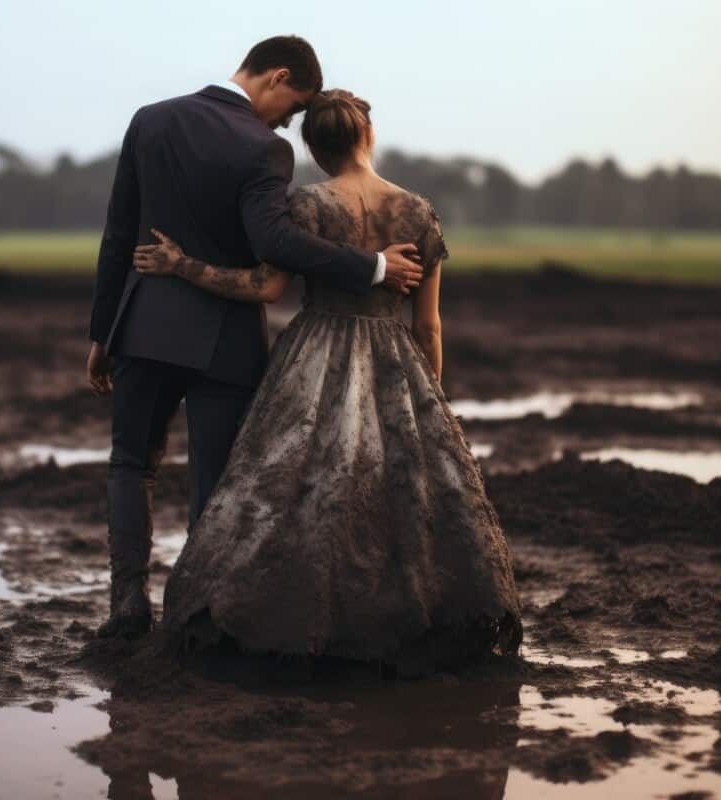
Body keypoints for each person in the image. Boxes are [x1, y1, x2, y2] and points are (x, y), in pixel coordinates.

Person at [135, 89, 523, 673]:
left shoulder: (305, 207)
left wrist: (180, 265)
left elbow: (265, 290)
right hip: (397, 360)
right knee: (401, 494)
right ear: (368, 136)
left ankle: (286, 624)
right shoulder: (418, 212)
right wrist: (431, 405)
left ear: (313, 147)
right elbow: (429, 324)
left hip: (313, 353)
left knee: (292, 490)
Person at [87, 36, 426, 638]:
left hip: (143, 326)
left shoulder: (151, 120)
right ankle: (195, 614)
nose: (289, 123)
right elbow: (273, 244)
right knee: (215, 485)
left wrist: (102, 330)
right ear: (276, 76)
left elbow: (118, 231)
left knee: (131, 465)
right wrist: (371, 266)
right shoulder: (262, 149)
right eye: (292, 107)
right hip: (224, 341)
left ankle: (127, 604)